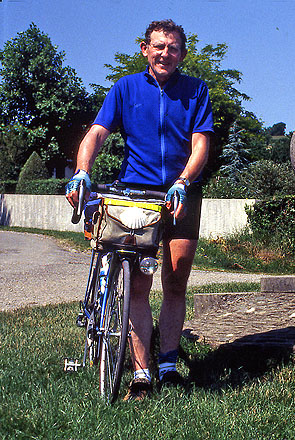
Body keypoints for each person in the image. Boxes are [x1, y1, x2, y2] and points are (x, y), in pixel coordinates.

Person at [65, 19, 213, 401]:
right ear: (145, 49)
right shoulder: (126, 87)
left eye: (174, 47)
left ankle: (169, 365)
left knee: (176, 282)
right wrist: (82, 172)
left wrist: (183, 180)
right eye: (159, 46)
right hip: (136, 196)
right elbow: (97, 132)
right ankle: (142, 374)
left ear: (183, 53)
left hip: (182, 195)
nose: (166, 53)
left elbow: (200, 145)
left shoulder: (196, 91)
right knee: (139, 286)